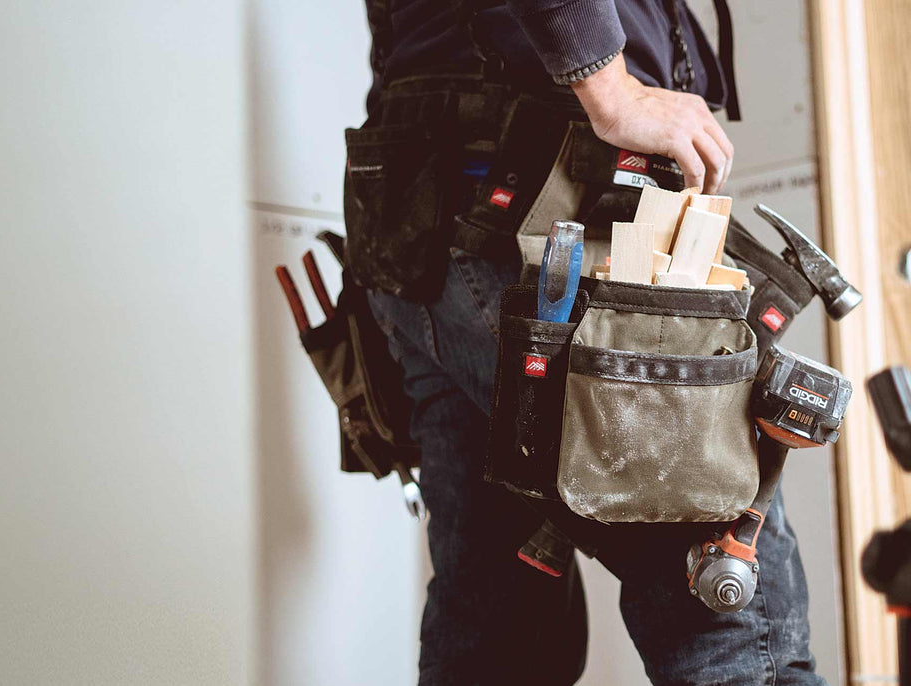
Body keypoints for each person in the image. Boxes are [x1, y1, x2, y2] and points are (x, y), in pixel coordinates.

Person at [347, 1, 824, 683]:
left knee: (497, 633)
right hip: (532, 201)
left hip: (422, 219)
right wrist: (610, 86)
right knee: (730, 604)